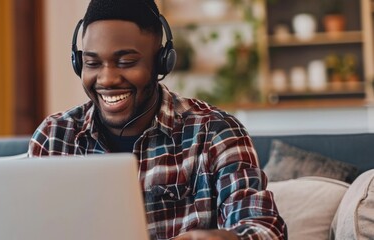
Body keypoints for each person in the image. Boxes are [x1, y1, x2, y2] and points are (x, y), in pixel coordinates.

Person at [28, 0, 287, 239]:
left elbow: (264, 228)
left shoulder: (215, 132)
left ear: (161, 62)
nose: (106, 79)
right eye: (92, 63)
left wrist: (224, 239)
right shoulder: (54, 137)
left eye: (126, 61)